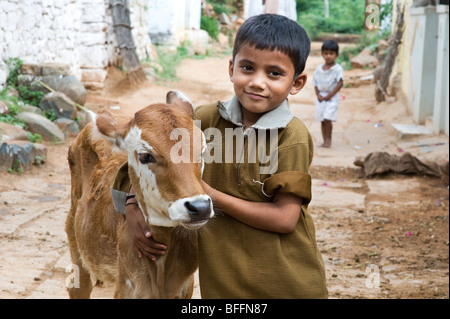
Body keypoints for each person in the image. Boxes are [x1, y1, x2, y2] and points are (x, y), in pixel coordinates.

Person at [112, 14, 328, 299]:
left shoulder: (292, 136)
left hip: (285, 282)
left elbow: (286, 218)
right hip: (222, 284)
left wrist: (209, 195)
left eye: (274, 73)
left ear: (297, 83)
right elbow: (145, 158)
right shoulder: (203, 121)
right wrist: (131, 208)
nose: (257, 82)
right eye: (248, 68)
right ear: (231, 68)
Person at [313, 39, 344, 148]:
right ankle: (324, 140)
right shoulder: (318, 69)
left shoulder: (337, 69)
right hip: (321, 97)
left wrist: (329, 96)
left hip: (332, 97)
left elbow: (340, 83)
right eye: (326, 53)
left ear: (336, 55)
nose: (328, 56)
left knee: (327, 118)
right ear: (322, 54)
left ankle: (328, 140)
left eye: (331, 53)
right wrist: (318, 95)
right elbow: (315, 83)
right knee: (322, 119)